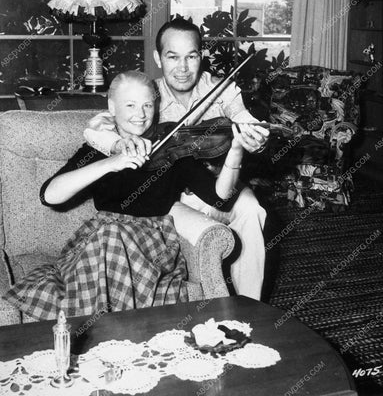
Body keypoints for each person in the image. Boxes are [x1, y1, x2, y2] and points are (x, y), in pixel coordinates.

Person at [3, 71, 249, 320]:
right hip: (100, 243)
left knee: (111, 236)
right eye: (130, 105)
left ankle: (96, 329)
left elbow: (220, 198)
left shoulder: (174, 148)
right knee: (110, 234)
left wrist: (236, 152)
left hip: (151, 246)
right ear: (112, 107)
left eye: (147, 105)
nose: (140, 114)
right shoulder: (99, 148)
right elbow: (49, 195)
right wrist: (112, 162)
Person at [84, 19, 269, 300]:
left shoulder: (221, 89)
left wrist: (255, 137)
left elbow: (244, 118)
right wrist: (119, 143)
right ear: (158, 58)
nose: (182, 68)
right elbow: (96, 126)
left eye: (191, 56)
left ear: (201, 57)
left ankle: (251, 306)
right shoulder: (149, 96)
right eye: (173, 57)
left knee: (253, 209)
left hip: (219, 185)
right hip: (174, 197)